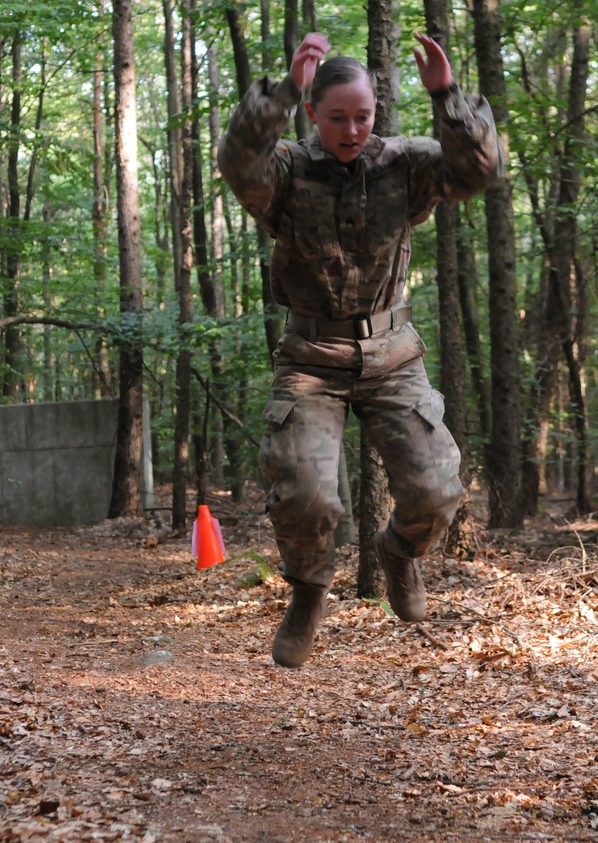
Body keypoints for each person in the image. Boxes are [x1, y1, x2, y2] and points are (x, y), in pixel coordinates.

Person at [217, 31, 503, 668]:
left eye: (363, 116)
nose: (351, 130)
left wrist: (448, 95)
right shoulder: (286, 170)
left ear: (378, 113)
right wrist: (285, 89)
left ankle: (398, 553)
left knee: (435, 491)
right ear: (313, 114)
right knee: (304, 494)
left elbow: (480, 170)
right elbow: (237, 163)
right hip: (311, 357)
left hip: (392, 354)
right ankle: (310, 589)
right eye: (337, 117)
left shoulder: (404, 163)